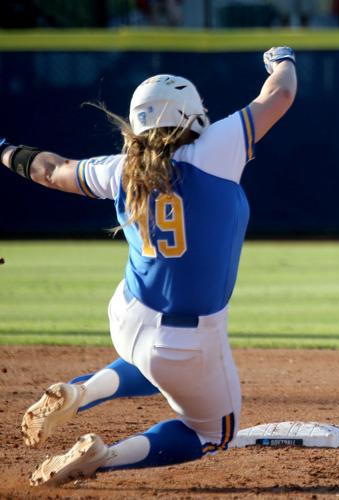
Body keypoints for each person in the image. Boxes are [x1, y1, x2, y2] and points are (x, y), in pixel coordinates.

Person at [1, 46, 297, 486]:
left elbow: (54, 170)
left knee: (147, 359)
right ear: (192, 116)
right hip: (186, 341)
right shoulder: (218, 146)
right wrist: (283, 59)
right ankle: (104, 456)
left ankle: (82, 391)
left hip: (128, 315)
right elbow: (281, 94)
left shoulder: (122, 168)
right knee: (215, 433)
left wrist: (5, 150)